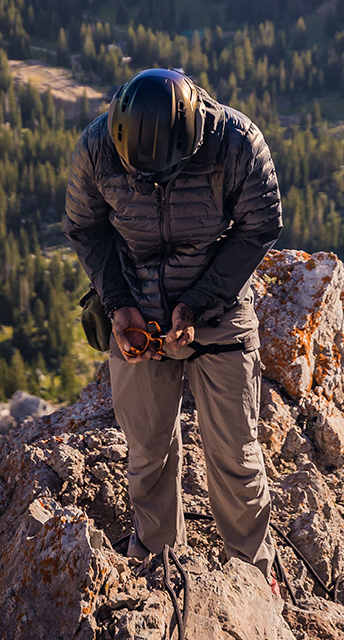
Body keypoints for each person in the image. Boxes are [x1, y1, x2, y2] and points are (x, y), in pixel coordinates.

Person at [64, 68, 282, 590]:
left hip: (216, 302)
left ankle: (252, 573)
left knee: (234, 451)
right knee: (146, 450)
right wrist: (118, 305)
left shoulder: (236, 143)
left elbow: (261, 225)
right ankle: (155, 560)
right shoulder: (97, 148)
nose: (149, 182)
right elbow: (84, 226)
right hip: (136, 305)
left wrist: (200, 302)